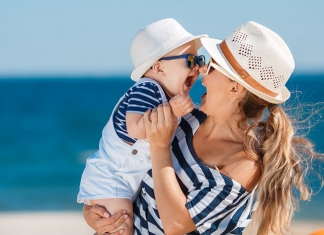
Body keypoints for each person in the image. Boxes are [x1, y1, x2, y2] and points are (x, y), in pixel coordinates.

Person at [83, 21, 323, 235]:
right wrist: (95, 213)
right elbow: (126, 171)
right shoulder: (186, 120)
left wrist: (160, 147)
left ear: (235, 89)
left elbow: (176, 225)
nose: (201, 73)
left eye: (211, 66)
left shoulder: (244, 164)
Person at [77, 18, 207, 235]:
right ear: (158, 67)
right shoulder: (148, 88)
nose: (197, 68)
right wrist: (173, 111)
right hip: (112, 177)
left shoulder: (166, 96)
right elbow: (135, 128)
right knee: (120, 227)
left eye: (199, 60)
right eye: (190, 60)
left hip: (126, 179)